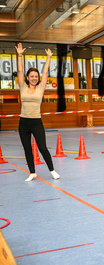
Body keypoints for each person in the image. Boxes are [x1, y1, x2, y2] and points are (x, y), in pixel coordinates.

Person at [15, 43, 60, 182]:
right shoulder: (22, 86)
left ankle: (52, 171)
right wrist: (20, 55)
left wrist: (48, 58)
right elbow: (20, 71)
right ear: (27, 77)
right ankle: (32, 173)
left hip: (36, 122)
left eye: (36, 76)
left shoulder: (41, 87)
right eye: (32, 76)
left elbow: (45, 72)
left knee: (42, 148)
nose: (34, 78)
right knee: (27, 149)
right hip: (23, 123)